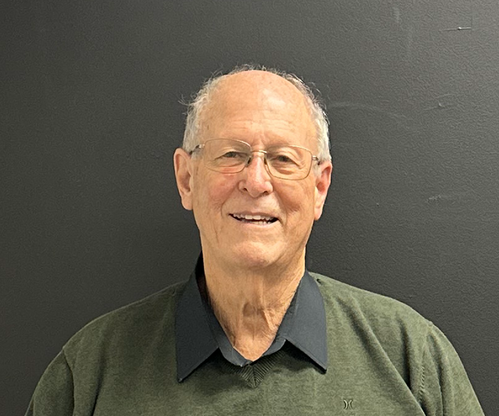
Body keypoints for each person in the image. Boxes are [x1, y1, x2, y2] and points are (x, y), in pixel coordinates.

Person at [26, 66, 484, 415]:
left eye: (283, 159)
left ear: (319, 186)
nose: (257, 181)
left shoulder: (412, 358)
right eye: (232, 154)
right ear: (186, 179)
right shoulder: (90, 373)